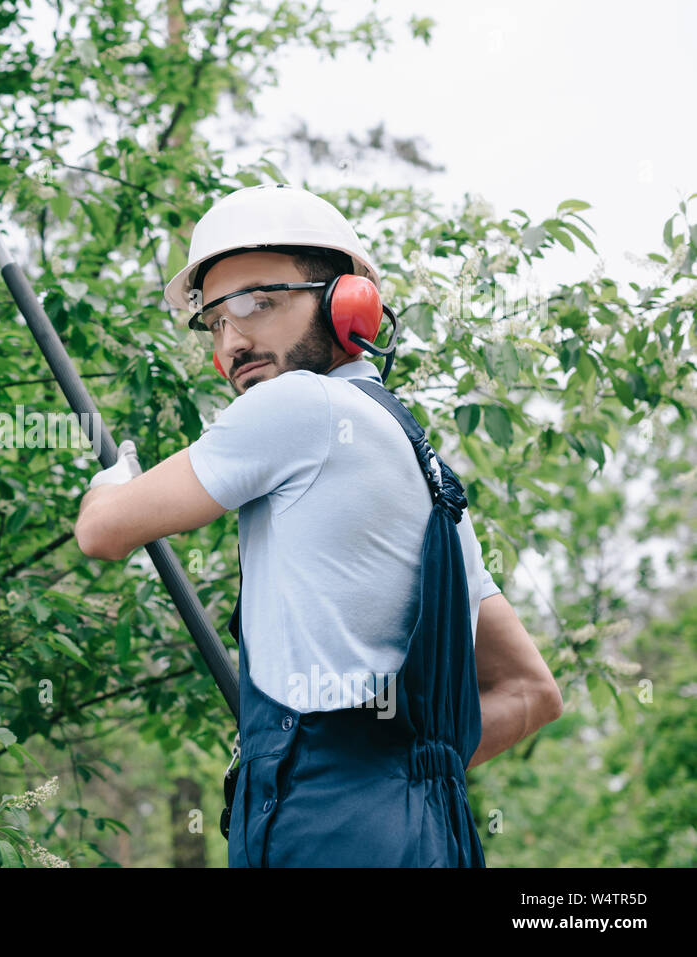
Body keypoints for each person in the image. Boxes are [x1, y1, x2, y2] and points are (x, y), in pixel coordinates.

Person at [74, 184, 562, 867]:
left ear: (345, 301)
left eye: (256, 303)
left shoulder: (299, 404)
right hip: (430, 836)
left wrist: (109, 483)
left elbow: (102, 532)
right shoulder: (429, 478)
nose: (233, 339)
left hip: (320, 831)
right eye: (214, 321)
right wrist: (397, 775)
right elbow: (533, 691)